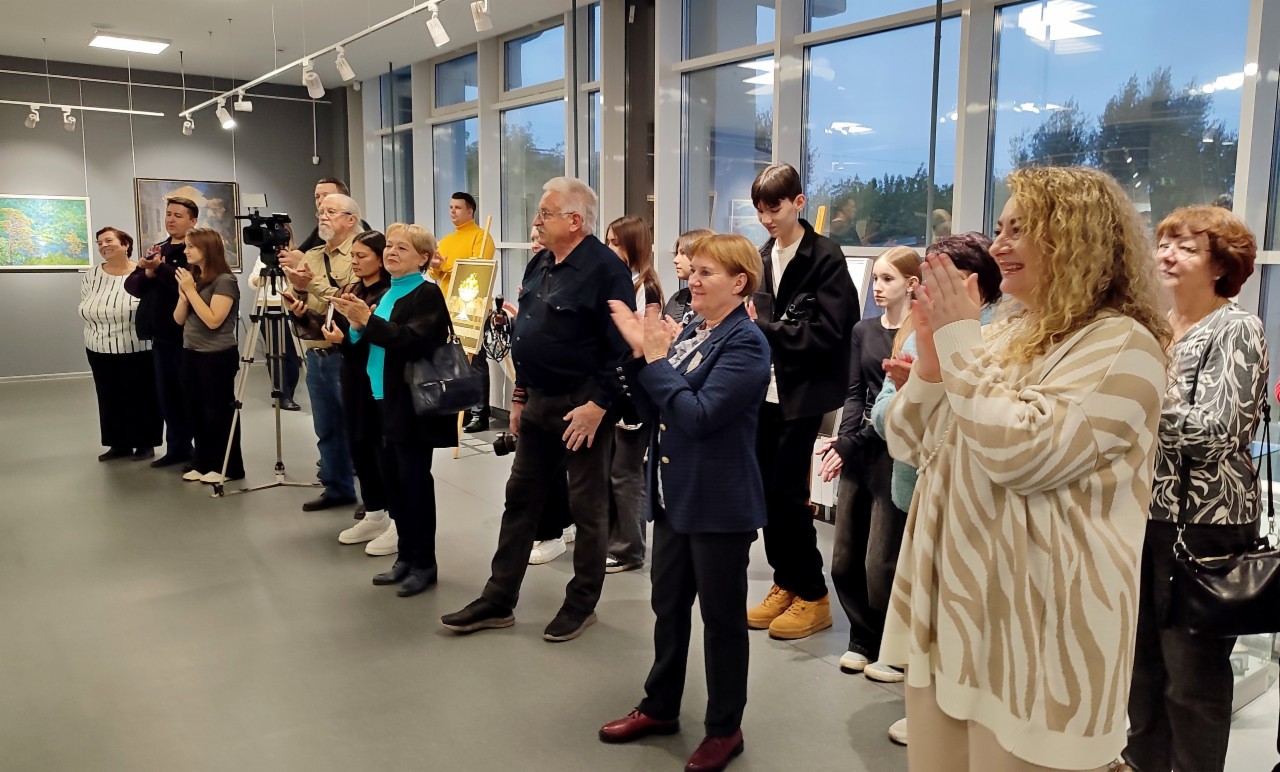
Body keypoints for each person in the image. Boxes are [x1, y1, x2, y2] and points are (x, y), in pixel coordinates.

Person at [882, 166, 1170, 771]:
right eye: (999, 228)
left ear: (1078, 239)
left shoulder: (1124, 344)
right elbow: (909, 443)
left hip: (1040, 635)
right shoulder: (1004, 332)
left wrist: (958, 340)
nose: (998, 246)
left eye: (1020, 229)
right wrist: (932, 363)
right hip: (957, 612)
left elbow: (1023, 454)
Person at [598, 234, 770, 772]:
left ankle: (725, 728)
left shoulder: (746, 343)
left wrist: (656, 359)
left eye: (706, 273)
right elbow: (657, 409)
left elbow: (698, 416)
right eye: (692, 270)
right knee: (667, 608)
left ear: (740, 282)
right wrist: (639, 355)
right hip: (674, 497)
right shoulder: (695, 329)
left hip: (718, 505)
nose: (692, 280)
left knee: (721, 622)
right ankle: (660, 706)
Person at [440, 177, 634, 643]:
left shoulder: (607, 270)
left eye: (545, 213)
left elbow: (625, 350)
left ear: (575, 220)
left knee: (587, 508)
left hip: (583, 406)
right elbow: (529, 331)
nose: (536, 220)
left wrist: (598, 405)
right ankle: (498, 599)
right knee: (520, 499)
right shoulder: (541, 262)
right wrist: (520, 396)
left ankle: (581, 603)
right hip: (539, 401)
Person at [1121, 206, 1269, 772]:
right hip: (1144, 516)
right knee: (1142, 668)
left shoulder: (1237, 329)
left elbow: (1218, 431)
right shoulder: (1156, 329)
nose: (1166, 254)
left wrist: (1132, 408)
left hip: (1206, 524)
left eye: (1186, 247)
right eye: (1164, 243)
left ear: (1221, 265)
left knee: (1192, 677)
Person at [866, 232, 1004, 747]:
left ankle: (951, 707)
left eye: (942, 279)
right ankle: (925, 700)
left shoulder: (997, 337)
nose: (926, 291)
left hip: (972, 500)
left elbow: (991, 423)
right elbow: (885, 416)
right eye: (924, 280)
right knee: (917, 596)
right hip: (917, 485)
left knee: (960, 607)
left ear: (975, 283)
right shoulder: (917, 333)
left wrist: (928, 393)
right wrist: (915, 388)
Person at [744, 163, 858, 640]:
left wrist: (767, 330)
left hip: (803, 394)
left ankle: (813, 593)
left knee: (787, 494)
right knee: (767, 493)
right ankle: (786, 582)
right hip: (762, 392)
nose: (767, 219)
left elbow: (833, 331)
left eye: (774, 208)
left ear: (798, 202)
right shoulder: (761, 256)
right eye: (760, 210)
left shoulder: (825, 256)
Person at [330, 223, 457, 597]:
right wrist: (356, 326)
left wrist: (367, 321)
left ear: (423, 257)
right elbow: (364, 345)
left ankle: (424, 563)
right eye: (390, 246)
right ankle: (405, 556)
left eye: (403, 248)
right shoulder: (388, 292)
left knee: (414, 484)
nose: (392, 252)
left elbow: (413, 341)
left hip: (408, 404)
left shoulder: (426, 293)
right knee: (394, 484)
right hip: (378, 399)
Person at [816, 245, 920, 678]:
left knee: (881, 561)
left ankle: (889, 645)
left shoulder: (917, 335)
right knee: (843, 558)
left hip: (893, 452)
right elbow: (855, 392)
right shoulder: (864, 329)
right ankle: (861, 636)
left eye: (888, 278)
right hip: (860, 448)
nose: (878, 286)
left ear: (912, 285)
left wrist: (851, 443)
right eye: (875, 277)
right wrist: (843, 441)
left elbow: (895, 405)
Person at [287, 231, 394, 553]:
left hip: (375, 378)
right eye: (353, 256)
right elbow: (332, 327)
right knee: (358, 442)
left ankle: (393, 516)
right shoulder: (351, 290)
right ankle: (373, 512)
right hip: (350, 375)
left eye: (362, 256)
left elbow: (376, 339)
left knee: (380, 448)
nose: (355, 262)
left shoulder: (387, 294)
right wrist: (304, 314)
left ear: (379, 258)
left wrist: (345, 340)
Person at [283, 193, 361, 513]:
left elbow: (349, 300)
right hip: (316, 352)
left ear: (351, 220)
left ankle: (376, 497)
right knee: (326, 427)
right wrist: (297, 295)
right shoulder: (312, 255)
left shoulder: (361, 254)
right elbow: (301, 291)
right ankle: (337, 487)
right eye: (320, 212)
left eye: (331, 211)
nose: (322, 217)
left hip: (349, 353)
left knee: (360, 428)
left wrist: (311, 284)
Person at [603, 215, 662, 574]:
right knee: (615, 470)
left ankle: (629, 548)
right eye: (608, 241)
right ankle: (616, 541)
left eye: (617, 243)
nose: (610, 249)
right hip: (616, 388)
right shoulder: (621, 281)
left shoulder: (646, 288)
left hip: (635, 393)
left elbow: (642, 347)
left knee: (626, 472)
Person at [124, 196, 198, 468]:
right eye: (168, 214)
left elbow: (186, 285)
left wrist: (160, 268)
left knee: (189, 395)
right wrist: (148, 272)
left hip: (186, 336)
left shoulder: (195, 251)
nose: (170, 219)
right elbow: (132, 286)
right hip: (160, 336)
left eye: (178, 215)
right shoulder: (159, 249)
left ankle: (199, 450)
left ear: (192, 221)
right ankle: (177, 448)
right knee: (167, 397)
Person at [80, 226, 162, 461]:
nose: (103, 246)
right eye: (99, 243)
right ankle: (118, 444)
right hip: (98, 347)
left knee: (142, 397)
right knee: (109, 397)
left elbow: (150, 308)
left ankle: (145, 443)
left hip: (135, 348)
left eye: (108, 240)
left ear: (126, 244)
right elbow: (86, 304)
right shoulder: (92, 275)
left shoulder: (142, 273)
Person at [173, 228, 244, 485]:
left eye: (191, 246)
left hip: (217, 356)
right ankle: (203, 462)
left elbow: (214, 320)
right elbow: (178, 319)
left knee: (218, 412)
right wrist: (184, 297)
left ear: (207, 249)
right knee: (195, 411)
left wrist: (190, 292)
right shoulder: (194, 278)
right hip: (191, 352)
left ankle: (228, 466)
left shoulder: (224, 280)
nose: (186, 251)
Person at [527, 223, 578, 566]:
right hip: (538, 386)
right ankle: (561, 523)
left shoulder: (585, 271)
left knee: (553, 466)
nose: (535, 242)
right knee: (547, 467)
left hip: (567, 387)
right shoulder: (539, 266)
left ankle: (552, 532)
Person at [434, 192, 497, 434]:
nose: (453, 211)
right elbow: (436, 273)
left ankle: (481, 412)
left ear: (470, 211)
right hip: (448, 306)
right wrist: (437, 267)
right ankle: (465, 409)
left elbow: (475, 268)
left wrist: (445, 266)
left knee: (475, 360)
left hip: (473, 307)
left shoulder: (482, 237)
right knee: (455, 361)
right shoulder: (446, 240)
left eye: (458, 208)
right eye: (451, 207)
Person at [247, 224, 302, 411]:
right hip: (266, 308)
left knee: (292, 354)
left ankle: (288, 393)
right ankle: (282, 395)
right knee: (275, 354)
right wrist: (265, 277)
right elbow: (252, 281)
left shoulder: (296, 256)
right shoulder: (264, 257)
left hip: (288, 307)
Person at [293, 178, 373, 254]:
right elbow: (301, 253)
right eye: (317, 197)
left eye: (327, 196)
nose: (320, 201)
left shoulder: (360, 227)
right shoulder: (321, 229)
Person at [662, 228, 714, 328]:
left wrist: (680, 336)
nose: (675, 260)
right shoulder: (677, 298)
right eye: (677, 253)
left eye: (683, 253)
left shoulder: (718, 304)